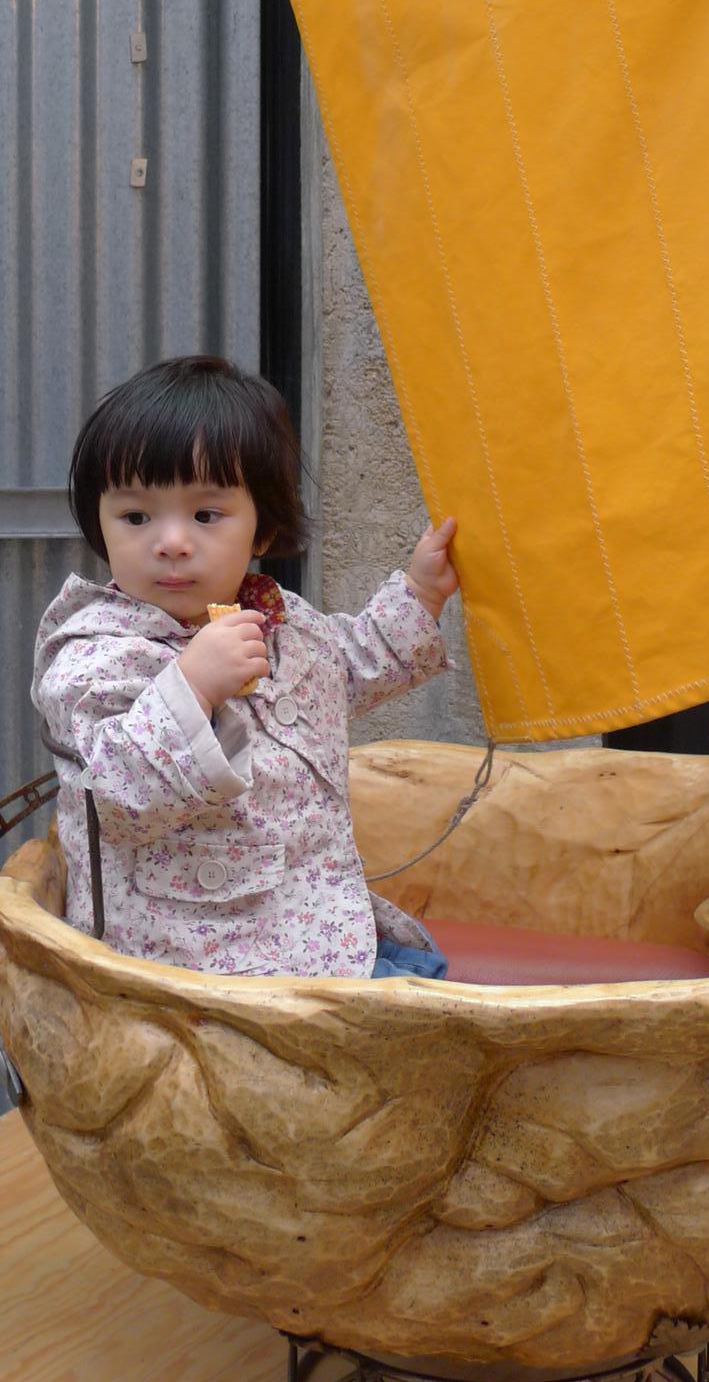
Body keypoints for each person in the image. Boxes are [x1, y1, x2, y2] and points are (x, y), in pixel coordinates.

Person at [32, 355, 459, 978]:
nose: (171, 542)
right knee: (418, 1014)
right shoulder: (97, 652)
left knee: (432, 977)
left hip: (311, 919)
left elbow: (348, 665)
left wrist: (421, 595)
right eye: (136, 517)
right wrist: (190, 688)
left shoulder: (279, 621)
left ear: (262, 530)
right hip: (193, 955)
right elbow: (117, 793)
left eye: (205, 515)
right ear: (101, 525)